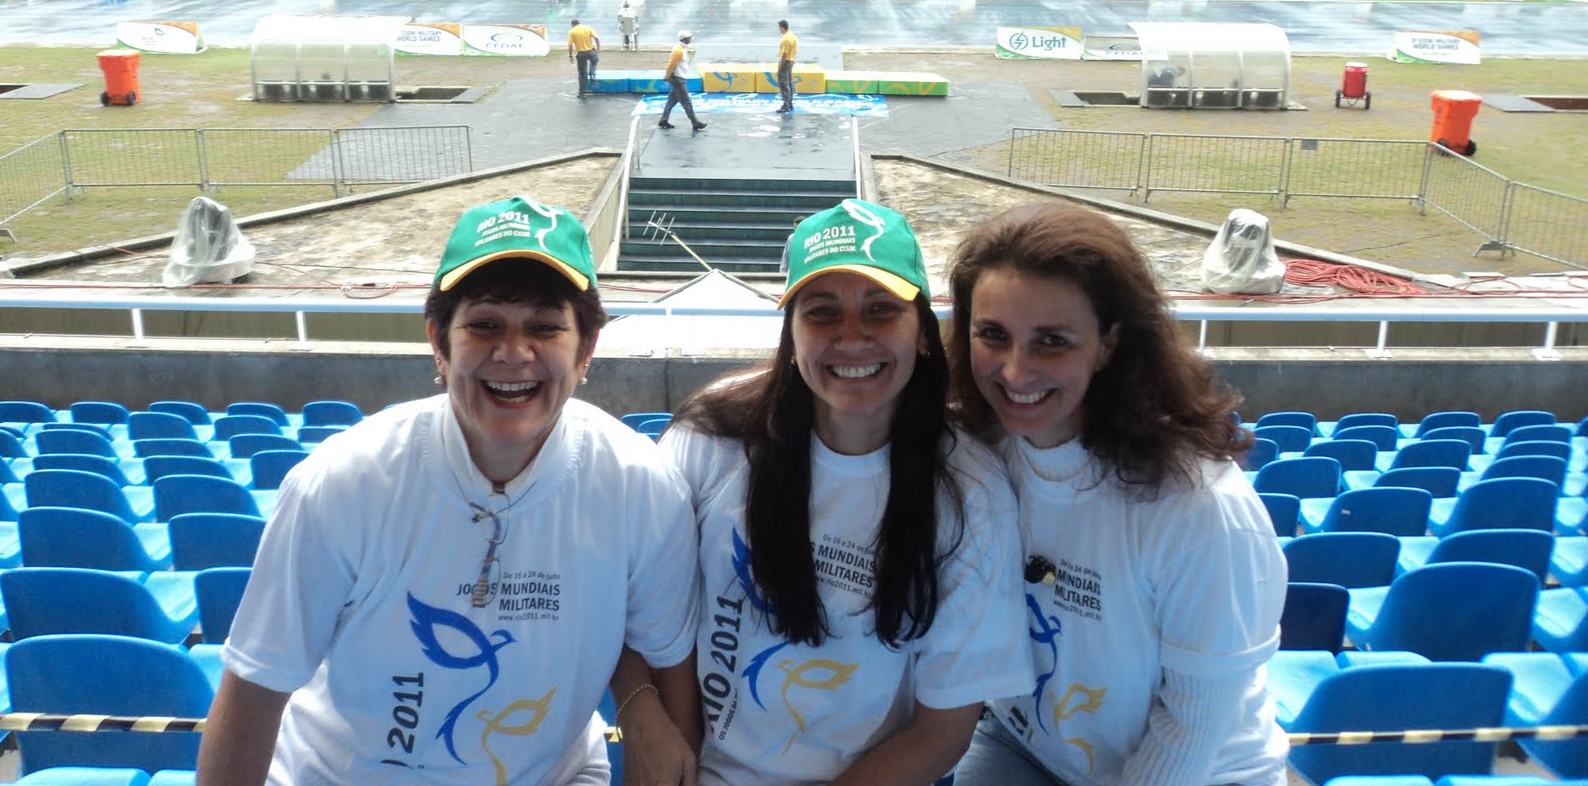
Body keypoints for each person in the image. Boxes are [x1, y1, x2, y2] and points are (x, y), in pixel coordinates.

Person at [197, 195, 703, 786]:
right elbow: (256, 686)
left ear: (586, 348)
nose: (513, 353)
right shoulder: (344, 483)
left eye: (545, 327)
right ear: (439, 342)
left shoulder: (641, 487)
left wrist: (642, 711)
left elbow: (669, 658)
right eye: (484, 325)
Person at [659, 200, 1033, 785]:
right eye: (823, 312)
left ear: (923, 332)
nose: (852, 337)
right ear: (792, 333)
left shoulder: (971, 494)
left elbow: (942, 731)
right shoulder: (714, 438)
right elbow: (654, 618)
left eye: (881, 310)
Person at [945, 201, 1288, 786]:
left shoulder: (1198, 509)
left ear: (1109, 343)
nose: (1016, 371)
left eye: (1052, 341)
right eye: (993, 335)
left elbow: (1192, 723)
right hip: (1026, 745)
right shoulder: (978, 452)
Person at [657, 31, 706, 132]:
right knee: (686, 102)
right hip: (677, 78)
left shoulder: (682, 48)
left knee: (672, 100)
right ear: (684, 39)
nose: (690, 39)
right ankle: (695, 123)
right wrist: (667, 76)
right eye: (689, 37)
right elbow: (671, 64)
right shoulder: (678, 50)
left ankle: (663, 120)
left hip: (679, 77)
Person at [567, 17, 600, 98]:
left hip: (581, 54)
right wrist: (598, 47)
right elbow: (596, 38)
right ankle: (592, 73)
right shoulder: (588, 28)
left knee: (582, 74)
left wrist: (571, 56)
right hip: (591, 51)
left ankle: (581, 93)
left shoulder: (572, 31)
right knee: (595, 60)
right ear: (579, 23)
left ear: (572, 25)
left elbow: (570, 45)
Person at [775, 19, 798, 113]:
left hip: (786, 62)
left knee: (784, 84)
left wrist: (780, 65)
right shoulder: (792, 36)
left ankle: (786, 105)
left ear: (782, 27)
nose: (779, 29)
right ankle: (790, 103)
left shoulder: (785, 39)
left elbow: (784, 55)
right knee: (789, 83)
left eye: (779, 27)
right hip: (791, 61)